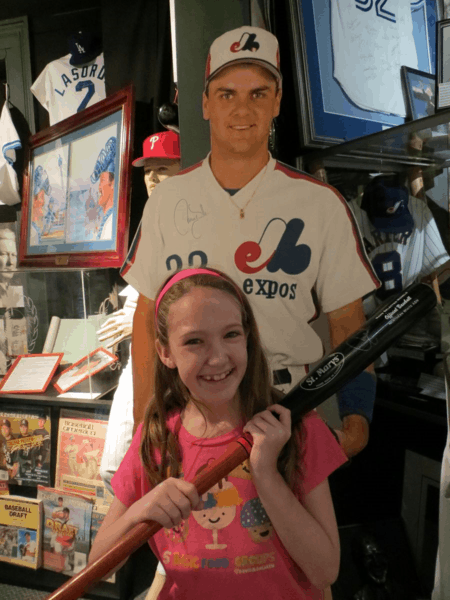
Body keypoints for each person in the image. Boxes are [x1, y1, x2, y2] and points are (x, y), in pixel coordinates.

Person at [121, 26, 379, 460]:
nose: (243, 108)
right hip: (191, 412)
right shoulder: (168, 200)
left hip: (287, 405)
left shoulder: (320, 203)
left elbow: (349, 323)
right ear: (204, 104)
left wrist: (357, 421)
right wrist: (143, 424)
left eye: (258, 94)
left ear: (277, 101)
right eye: (226, 94)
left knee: (289, 529)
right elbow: (148, 319)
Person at [89, 267, 348, 598]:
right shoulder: (156, 438)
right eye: (194, 341)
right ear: (165, 352)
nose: (218, 357)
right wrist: (142, 510)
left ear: (248, 337)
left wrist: (266, 474)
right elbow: (98, 567)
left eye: (231, 335)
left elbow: (325, 569)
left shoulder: (295, 427)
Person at [99, 131, 181, 493]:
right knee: (118, 470)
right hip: (145, 352)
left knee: (157, 469)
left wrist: (139, 321)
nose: (152, 178)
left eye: (163, 168)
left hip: (177, 358)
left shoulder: (197, 219)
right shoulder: (155, 221)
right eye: (148, 171)